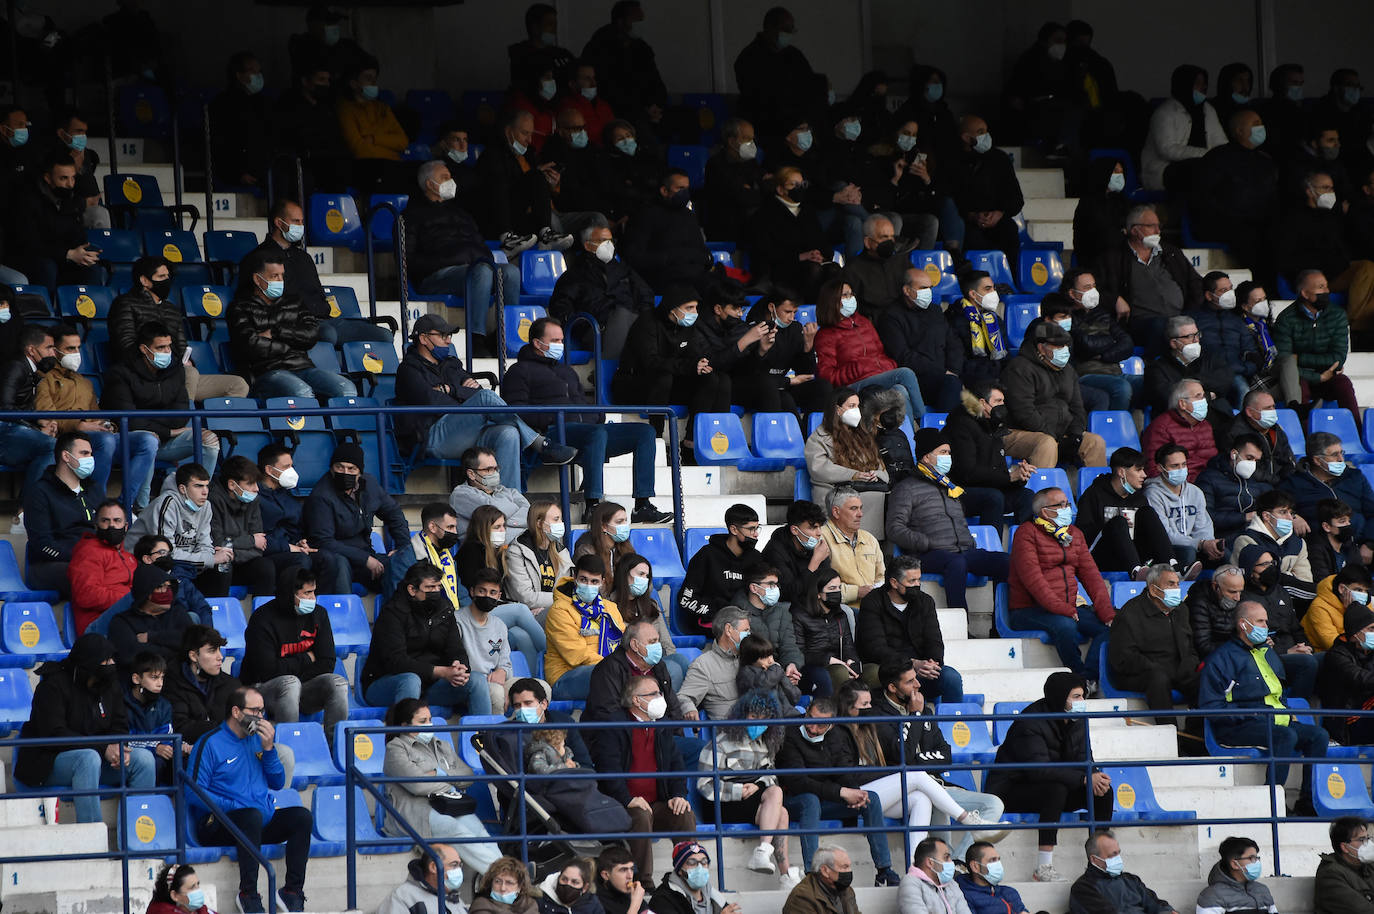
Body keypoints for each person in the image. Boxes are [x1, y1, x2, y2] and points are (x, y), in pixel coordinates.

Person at [503, 316, 673, 522]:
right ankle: (593, 506)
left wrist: (596, 415)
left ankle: (642, 505)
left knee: (645, 432)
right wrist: (556, 416)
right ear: (538, 343)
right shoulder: (518, 371)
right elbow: (516, 410)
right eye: (555, 341)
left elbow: (582, 403)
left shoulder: (567, 371)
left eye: (562, 340)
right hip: (553, 432)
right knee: (597, 433)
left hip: (586, 432)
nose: (561, 345)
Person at [399, 315, 574, 488]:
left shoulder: (451, 365)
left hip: (466, 431)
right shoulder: (409, 369)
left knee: (509, 433)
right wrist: (464, 398)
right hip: (433, 436)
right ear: (423, 338)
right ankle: (540, 444)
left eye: (449, 336)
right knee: (485, 399)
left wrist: (450, 390)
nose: (448, 341)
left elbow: (477, 392)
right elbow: (432, 401)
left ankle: (510, 502)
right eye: (443, 336)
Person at [189, 686, 313, 912]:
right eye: (255, 711)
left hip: (254, 822)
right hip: (218, 824)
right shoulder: (210, 743)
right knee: (250, 816)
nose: (261, 717)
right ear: (236, 712)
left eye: (263, 711)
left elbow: (277, 782)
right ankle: (248, 894)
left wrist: (269, 750)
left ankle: (292, 892)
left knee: (301, 817)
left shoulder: (258, 740)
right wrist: (234, 806)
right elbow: (193, 791)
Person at [1199, 600, 1329, 814]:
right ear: (1243, 624)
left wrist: (1286, 713)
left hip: (1275, 720)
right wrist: (1249, 714)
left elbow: (1279, 691)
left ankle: (1308, 802)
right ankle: (1271, 802)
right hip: (1239, 726)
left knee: (1319, 735)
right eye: (1260, 621)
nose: (1265, 626)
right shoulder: (1221, 659)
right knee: (1285, 737)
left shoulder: (1268, 653)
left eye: (1266, 622)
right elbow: (1211, 707)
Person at [985, 672, 1113, 883]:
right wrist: (1083, 779)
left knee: (1103, 792)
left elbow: (1084, 758)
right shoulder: (1030, 721)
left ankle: (1098, 861)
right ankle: (1043, 867)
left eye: (1083, 696)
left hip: (1053, 786)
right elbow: (1038, 770)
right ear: (1059, 697)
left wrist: (1093, 774)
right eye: (1076, 697)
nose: (1082, 702)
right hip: (1012, 790)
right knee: (1056, 789)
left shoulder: (1077, 720)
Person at [870, 663, 1009, 855]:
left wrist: (915, 760)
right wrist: (915, 715)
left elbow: (945, 755)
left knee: (994, 804)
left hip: (937, 784)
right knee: (932, 799)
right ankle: (945, 860)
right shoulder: (877, 715)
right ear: (893, 688)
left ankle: (959, 862)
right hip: (904, 793)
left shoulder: (925, 710)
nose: (918, 685)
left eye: (916, 678)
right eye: (910, 681)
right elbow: (902, 755)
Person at [14, 633, 154, 822]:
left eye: (112, 659)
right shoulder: (53, 686)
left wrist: (118, 747)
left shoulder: (110, 683)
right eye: (106, 660)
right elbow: (55, 734)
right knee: (88, 758)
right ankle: (93, 839)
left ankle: (138, 838)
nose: (112, 664)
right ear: (89, 663)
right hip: (47, 762)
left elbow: (120, 723)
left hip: (98, 758)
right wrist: (103, 747)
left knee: (143, 759)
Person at [402, 163, 523, 355]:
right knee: (482, 271)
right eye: (444, 177)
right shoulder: (410, 216)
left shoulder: (461, 213)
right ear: (430, 184)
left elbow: (481, 246)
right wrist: (450, 259)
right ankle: (476, 338)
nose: (451, 181)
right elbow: (408, 261)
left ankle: (506, 335)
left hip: (471, 270)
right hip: (436, 276)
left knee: (510, 272)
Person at [888, 424, 1013, 605]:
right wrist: (924, 542)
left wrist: (969, 542)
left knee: (1005, 561)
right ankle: (961, 623)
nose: (948, 457)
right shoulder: (906, 488)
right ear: (926, 457)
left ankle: (998, 623)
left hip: (962, 550)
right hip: (929, 554)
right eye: (943, 452)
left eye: (949, 452)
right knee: (956, 564)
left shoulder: (950, 486)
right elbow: (894, 528)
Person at [587, 676, 697, 878]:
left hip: (657, 802)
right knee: (641, 814)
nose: (660, 698)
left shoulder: (661, 725)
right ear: (636, 700)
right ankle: (643, 881)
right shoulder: (613, 725)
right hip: (622, 804)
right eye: (653, 694)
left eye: (660, 693)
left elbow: (676, 764)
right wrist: (627, 799)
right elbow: (608, 769)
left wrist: (678, 794)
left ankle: (690, 873)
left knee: (684, 813)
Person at [775, 700, 896, 882]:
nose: (813, 728)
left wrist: (855, 793)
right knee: (810, 800)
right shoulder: (790, 732)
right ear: (806, 712)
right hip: (795, 801)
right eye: (810, 720)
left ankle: (884, 870)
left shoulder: (837, 735)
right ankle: (813, 874)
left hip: (826, 799)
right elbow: (798, 782)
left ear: (831, 725)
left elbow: (843, 773)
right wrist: (841, 792)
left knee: (870, 798)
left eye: (821, 725)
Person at [380, 698, 501, 876]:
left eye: (429, 719)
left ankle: (509, 874)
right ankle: (501, 878)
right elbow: (418, 787)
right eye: (422, 721)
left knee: (480, 832)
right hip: (416, 813)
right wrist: (448, 780)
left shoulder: (441, 745)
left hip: (448, 805)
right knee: (456, 830)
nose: (428, 725)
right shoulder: (395, 748)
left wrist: (436, 773)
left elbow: (467, 776)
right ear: (405, 725)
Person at [695, 689, 801, 888]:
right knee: (777, 795)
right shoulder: (720, 742)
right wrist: (737, 790)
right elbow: (704, 785)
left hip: (751, 802)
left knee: (783, 812)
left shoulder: (765, 744)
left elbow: (770, 777)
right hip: (721, 804)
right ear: (742, 714)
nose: (758, 722)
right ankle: (765, 854)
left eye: (764, 718)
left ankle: (783, 872)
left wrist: (758, 785)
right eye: (754, 716)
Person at [1008, 489, 1115, 679]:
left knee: (1114, 625)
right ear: (1044, 511)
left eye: (1068, 504)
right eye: (1061, 505)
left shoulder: (1074, 534)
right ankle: (1077, 677)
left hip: (1067, 608)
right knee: (1066, 626)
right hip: (1029, 610)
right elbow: (1034, 581)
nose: (1067, 509)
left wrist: (1106, 612)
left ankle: (1089, 679)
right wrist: (1063, 609)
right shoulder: (1026, 533)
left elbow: (1092, 576)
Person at [37, 324, 150, 504]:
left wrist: (106, 425)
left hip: (96, 438)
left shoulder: (85, 383)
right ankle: (97, 503)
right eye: (70, 348)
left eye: (78, 348)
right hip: (67, 440)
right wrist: (79, 426)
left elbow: (96, 415)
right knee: (105, 441)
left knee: (147, 441)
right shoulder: (45, 380)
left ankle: (123, 506)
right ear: (55, 351)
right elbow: (46, 416)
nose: (76, 353)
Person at [228, 248, 357, 399]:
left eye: (282, 275)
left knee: (347, 389)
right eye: (274, 276)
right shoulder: (239, 308)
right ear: (257, 279)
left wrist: (276, 333)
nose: (280, 281)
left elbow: (311, 335)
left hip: (303, 367)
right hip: (267, 372)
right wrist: (293, 342)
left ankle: (342, 424)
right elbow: (252, 346)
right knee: (301, 392)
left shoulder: (294, 302)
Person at [239, 565, 349, 739]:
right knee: (290, 684)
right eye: (307, 593)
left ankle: (334, 746)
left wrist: (291, 670)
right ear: (290, 593)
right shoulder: (262, 618)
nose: (313, 598)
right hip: (263, 690)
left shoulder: (319, 614)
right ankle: (289, 746)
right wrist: (306, 658)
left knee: (338, 683)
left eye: (314, 592)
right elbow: (267, 671)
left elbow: (327, 662)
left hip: (303, 687)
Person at [361, 562, 484, 713]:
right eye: (430, 588)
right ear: (412, 589)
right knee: (411, 680)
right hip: (387, 682)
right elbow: (396, 662)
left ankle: (484, 736)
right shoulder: (392, 613)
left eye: (438, 586)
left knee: (476, 680)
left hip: (430, 686)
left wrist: (460, 667)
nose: (436, 591)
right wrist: (441, 672)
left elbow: (456, 649)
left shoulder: (444, 609)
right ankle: (404, 735)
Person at [1094, 205, 1204, 358]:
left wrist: (1190, 311)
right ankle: (1156, 369)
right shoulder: (1114, 258)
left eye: (1159, 226)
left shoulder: (1171, 252)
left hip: (1179, 316)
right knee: (1161, 326)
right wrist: (1115, 299)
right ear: (1134, 230)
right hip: (1141, 322)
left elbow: (1196, 283)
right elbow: (1095, 288)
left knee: (1201, 324)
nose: (1158, 231)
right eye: (1151, 226)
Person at [304, 442, 411, 596]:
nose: (345, 472)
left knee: (403, 565)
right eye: (339, 467)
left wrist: (403, 548)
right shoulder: (321, 496)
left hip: (367, 554)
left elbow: (394, 514)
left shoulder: (370, 484)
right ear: (331, 468)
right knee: (339, 563)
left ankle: (396, 615)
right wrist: (364, 559)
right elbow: (324, 542)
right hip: (339, 558)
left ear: (359, 472)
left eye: (351, 469)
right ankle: (343, 614)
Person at [814, 277, 927, 422]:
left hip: (878, 377)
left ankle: (910, 440)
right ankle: (924, 422)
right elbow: (827, 377)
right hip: (854, 385)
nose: (850, 298)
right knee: (905, 373)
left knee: (901, 391)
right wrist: (857, 368)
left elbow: (880, 354)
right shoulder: (826, 335)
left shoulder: (864, 323)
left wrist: (885, 365)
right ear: (832, 301)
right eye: (845, 295)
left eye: (851, 294)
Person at [1002, 321, 1107, 468]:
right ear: (1041, 348)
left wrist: (1075, 435)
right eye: (1058, 346)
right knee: (1047, 444)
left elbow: (1077, 407)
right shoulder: (1020, 368)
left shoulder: (1068, 370)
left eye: (1065, 346)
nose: (1063, 350)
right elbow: (1023, 412)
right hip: (1023, 432)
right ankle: (1042, 490)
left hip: (1060, 433)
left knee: (1095, 442)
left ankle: (1097, 490)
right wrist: (1052, 436)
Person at [549, 219, 653, 358]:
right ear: (587, 245)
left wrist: (644, 317)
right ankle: (609, 372)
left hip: (631, 324)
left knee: (637, 322)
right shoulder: (575, 275)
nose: (608, 245)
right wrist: (583, 326)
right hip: (596, 330)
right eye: (602, 241)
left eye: (610, 241)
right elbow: (560, 307)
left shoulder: (624, 269)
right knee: (623, 316)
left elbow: (645, 295)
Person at [1190, 110, 1280, 270]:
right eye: (1256, 124)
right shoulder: (1218, 158)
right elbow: (1203, 196)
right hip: (1227, 222)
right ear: (1239, 130)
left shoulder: (1265, 161)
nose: (1261, 127)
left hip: (1260, 221)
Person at [256, 443, 350, 595]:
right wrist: (288, 547)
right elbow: (258, 536)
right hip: (270, 554)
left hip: (293, 548)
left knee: (328, 559)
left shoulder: (286, 494)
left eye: (292, 466)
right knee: (301, 560)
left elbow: (296, 526)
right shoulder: (255, 497)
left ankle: (319, 606)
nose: (291, 471)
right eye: (286, 467)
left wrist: (300, 542)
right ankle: (294, 603)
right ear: (269, 470)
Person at [1107, 563, 1201, 716]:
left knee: (1205, 678)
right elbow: (1123, 657)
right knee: (1158, 678)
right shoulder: (1130, 614)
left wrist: (1189, 663)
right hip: (1142, 673)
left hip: (1177, 671)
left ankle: (1197, 731)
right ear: (1153, 589)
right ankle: (1168, 731)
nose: (1176, 589)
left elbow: (1189, 646)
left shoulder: (1181, 610)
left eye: (1177, 584)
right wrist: (1156, 668)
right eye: (1171, 584)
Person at [474, 109, 570, 251]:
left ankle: (546, 235)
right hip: (496, 220)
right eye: (525, 133)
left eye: (531, 134)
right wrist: (533, 176)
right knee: (536, 178)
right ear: (508, 131)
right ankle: (507, 239)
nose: (529, 140)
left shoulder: (528, 154)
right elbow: (500, 191)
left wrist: (548, 182)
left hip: (523, 215)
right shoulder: (492, 155)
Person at [1076, 447, 1175, 579]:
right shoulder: (1094, 494)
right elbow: (1083, 536)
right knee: (1118, 521)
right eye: (1138, 470)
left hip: (1135, 556)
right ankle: (1135, 571)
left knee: (1147, 512)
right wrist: (1113, 526)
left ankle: (1172, 567)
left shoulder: (1140, 498)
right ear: (1122, 472)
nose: (1144, 475)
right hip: (1101, 556)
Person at [945, 380, 1035, 526]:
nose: (1002, 406)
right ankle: (994, 547)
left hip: (989, 489)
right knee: (994, 497)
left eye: (1003, 402)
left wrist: (1019, 477)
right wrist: (1008, 477)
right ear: (982, 403)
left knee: (1027, 496)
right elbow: (966, 473)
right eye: (998, 401)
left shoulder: (994, 427)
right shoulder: (960, 425)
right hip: (958, 492)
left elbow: (998, 474)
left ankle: (1023, 542)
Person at [9, 153, 103, 292]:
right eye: (64, 178)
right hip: (31, 258)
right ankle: (46, 311)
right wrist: (68, 253)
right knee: (47, 268)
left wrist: (84, 253)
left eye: (73, 178)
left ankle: (91, 313)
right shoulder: (28, 201)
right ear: (48, 178)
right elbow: (30, 244)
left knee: (92, 269)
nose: (70, 184)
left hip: (63, 258)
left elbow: (78, 236)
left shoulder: (71, 199)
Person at [875, 267, 964, 412]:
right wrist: (942, 373)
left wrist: (953, 371)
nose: (928, 292)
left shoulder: (935, 311)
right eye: (923, 287)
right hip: (917, 380)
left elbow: (953, 342)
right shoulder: (891, 316)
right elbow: (903, 355)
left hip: (948, 377)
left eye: (930, 287)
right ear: (906, 290)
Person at [805, 388, 890, 540]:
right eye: (851, 406)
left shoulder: (864, 436)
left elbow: (882, 470)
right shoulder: (818, 438)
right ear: (837, 409)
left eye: (858, 406)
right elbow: (819, 469)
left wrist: (874, 474)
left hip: (867, 491)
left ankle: (871, 547)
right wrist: (853, 475)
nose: (856, 411)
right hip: (834, 492)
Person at [21, 430, 98, 596]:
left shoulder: (94, 489)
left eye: (91, 454)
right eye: (84, 453)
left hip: (94, 560)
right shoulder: (39, 492)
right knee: (91, 575)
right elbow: (42, 544)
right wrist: (83, 557)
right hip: (50, 565)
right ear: (66, 456)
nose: (90, 459)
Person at [1236, 545, 1319, 699]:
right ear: (1250, 570)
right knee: (1307, 663)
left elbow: (1296, 628)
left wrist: (1305, 647)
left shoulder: (1281, 591)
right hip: (1270, 657)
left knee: (1327, 658)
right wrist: (1286, 652)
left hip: (1295, 650)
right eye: (1264, 565)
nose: (1270, 568)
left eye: (1272, 563)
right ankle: (1296, 712)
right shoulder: (1243, 598)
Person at [732, 7, 824, 144]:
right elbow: (758, 99)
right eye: (785, 30)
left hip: (799, 123)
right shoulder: (749, 58)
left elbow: (809, 83)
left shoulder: (794, 55)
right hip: (768, 127)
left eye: (791, 30)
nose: (789, 34)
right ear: (769, 28)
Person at [1273, 270, 1359, 415]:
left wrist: (1300, 358)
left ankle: (1357, 432)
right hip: (1300, 377)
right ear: (1305, 294)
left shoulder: (1337, 315)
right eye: (1321, 287)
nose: (1327, 291)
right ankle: (1305, 435)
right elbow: (1285, 362)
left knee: (1343, 384)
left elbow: (1338, 357)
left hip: (1329, 375)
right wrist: (1318, 377)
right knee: (1300, 386)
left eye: (1326, 286)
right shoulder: (1286, 319)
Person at [124, 463, 223, 590]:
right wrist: (210, 560)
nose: (205, 492)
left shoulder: (206, 506)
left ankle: (214, 608)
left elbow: (205, 543)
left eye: (206, 486)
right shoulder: (166, 504)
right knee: (181, 575)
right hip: (144, 562)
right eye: (198, 486)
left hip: (182, 563)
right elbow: (164, 554)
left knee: (221, 570)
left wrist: (209, 558)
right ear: (183, 489)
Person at [584, 616, 687, 729]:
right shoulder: (609, 669)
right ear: (634, 645)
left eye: (658, 640)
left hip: (658, 736)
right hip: (621, 739)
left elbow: (673, 706)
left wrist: (674, 735)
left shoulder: (659, 666)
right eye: (652, 642)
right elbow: (609, 713)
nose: (659, 646)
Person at [678, 504, 766, 635]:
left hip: (749, 621)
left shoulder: (756, 558)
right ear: (734, 529)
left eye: (757, 528)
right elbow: (685, 599)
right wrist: (716, 612)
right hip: (713, 623)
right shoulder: (707, 555)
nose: (755, 534)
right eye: (751, 529)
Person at [620, 168, 709, 293]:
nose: (685, 193)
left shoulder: (689, 216)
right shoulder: (645, 215)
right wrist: (670, 257)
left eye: (687, 188)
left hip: (692, 277)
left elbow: (701, 249)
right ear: (664, 190)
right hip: (660, 279)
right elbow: (633, 256)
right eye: (680, 188)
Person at [1141, 65, 1226, 191]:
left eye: (1204, 83)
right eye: (1198, 83)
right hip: (1164, 170)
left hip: (1202, 166)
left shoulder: (1208, 109)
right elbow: (1167, 149)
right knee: (1197, 174)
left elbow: (1220, 142)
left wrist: (1222, 156)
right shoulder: (1164, 112)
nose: (1203, 88)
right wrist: (1207, 155)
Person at [952, 116, 1023, 263]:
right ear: (966, 137)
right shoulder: (953, 162)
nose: (986, 135)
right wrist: (972, 216)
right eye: (980, 132)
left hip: (998, 221)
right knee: (972, 239)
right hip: (968, 222)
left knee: (1009, 231)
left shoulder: (1000, 159)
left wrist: (999, 213)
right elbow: (951, 198)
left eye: (986, 131)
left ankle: (1010, 282)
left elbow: (1016, 198)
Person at [1231, 489, 1316, 605]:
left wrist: (1281, 577)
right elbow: (1258, 581)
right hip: (1256, 602)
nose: (1290, 518)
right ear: (1266, 515)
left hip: (1291, 604)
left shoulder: (1298, 543)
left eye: (1291, 513)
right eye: (1283, 512)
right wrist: (1290, 576)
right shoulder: (1247, 540)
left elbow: (1305, 583)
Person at [1284, 432, 1374, 541]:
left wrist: (1369, 544)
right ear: (1317, 460)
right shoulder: (1294, 483)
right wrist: (1293, 516)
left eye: (1342, 453)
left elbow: (1372, 512)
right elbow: (1276, 507)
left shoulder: (1355, 477)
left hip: (1359, 543)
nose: (1341, 459)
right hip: (1318, 548)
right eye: (1335, 455)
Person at [1145, 443, 1224, 569]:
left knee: (1223, 555)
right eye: (1175, 466)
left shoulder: (1195, 492)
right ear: (1160, 468)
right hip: (1169, 549)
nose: (1181, 469)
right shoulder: (1152, 494)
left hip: (1196, 544)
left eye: (1184, 465)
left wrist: (1209, 543)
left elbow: (1203, 526)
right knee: (1188, 553)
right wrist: (1200, 544)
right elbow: (1165, 535)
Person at [68, 499, 137, 635]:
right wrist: (129, 599)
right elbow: (86, 594)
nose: (111, 525)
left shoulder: (129, 557)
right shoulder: (88, 552)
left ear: (126, 526)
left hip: (126, 618)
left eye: (117, 521)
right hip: (96, 625)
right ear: (96, 525)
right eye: (105, 521)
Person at [108, 562, 194, 668]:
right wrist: (175, 650)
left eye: (169, 587)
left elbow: (192, 642)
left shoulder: (178, 612)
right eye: (161, 587)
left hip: (179, 680)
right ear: (146, 591)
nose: (167, 592)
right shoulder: (122, 622)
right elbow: (129, 655)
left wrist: (153, 637)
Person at [1070, 830, 1177, 914]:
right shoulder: (1083, 888)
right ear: (1094, 859)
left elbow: (1155, 903)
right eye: (1112, 855)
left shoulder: (1131, 880)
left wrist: (1167, 911)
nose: (1117, 858)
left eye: (1118, 853)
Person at [457, 569, 517, 714]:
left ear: (499, 595)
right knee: (497, 692)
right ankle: (495, 736)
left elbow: (505, 660)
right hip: (471, 683)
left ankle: (523, 734)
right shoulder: (457, 621)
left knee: (537, 688)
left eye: (492, 592)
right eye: (482, 591)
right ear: (472, 591)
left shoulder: (500, 625)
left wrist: (502, 671)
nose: (487, 596)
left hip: (495, 679)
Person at [1197, 434, 1274, 546]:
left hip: (1252, 535)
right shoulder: (1208, 479)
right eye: (1249, 458)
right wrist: (1245, 517)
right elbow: (1207, 518)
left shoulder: (1255, 479)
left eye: (1256, 461)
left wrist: (1293, 516)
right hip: (1222, 539)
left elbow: (1275, 500)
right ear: (1234, 454)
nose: (1252, 464)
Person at [1315, 601, 1374, 745]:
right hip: (1349, 719)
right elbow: (1360, 679)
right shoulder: (1336, 656)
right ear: (1356, 632)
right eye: (1371, 629)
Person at [446, 446, 532, 543]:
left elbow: (530, 515)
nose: (494, 473)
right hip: (484, 553)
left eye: (496, 468)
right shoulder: (461, 494)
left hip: (517, 548)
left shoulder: (509, 491)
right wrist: (519, 521)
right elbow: (493, 512)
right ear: (471, 474)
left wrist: (506, 521)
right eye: (488, 470)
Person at [1141, 378, 1219, 484]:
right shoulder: (1161, 427)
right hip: (1178, 486)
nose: (1204, 401)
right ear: (1182, 404)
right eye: (1198, 396)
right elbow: (1154, 469)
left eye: (1203, 396)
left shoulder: (1206, 426)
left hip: (1208, 482)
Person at [678, 606, 750, 720]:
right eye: (745, 631)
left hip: (763, 727)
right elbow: (684, 697)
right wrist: (689, 709)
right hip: (731, 731)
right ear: (728, 630)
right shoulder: (704, 665)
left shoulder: (753, 655)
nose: (749, 635)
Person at [505, 500, 572, 619]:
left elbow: (567, 589)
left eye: (560, 519)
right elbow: (525, 597)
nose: (561, 524)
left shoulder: (561, 551)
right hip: (523, 614)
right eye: (556, 519)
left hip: (555, 610)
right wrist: (560, 599)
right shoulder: (517, 551)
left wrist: (549, 606)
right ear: (539, 523)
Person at [763, 499, 834, 611]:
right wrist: (814, 563)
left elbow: (829, 582)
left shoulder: (815, 546)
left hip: (814, 602)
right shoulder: (775, 551)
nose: (819, 533)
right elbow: (788, 593)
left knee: (846, 612)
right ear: (795, 530)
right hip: (785, 607)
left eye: (819, 527)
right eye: (812, 528)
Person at [701, 117, 763, 244]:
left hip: (749, 226)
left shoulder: (750, 162)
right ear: (731, 141)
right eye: (747, 138)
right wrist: (753, 191)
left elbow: (765, 187)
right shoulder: (716, 164)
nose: (752, 143)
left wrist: (751, 190)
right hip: (726, 229)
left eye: (752, 139)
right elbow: (741, 197)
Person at [1072, 158, 1133, 272]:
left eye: (1121, 172)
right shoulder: (1088, 203)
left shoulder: (1122, 201)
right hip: (1095, 260)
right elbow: (1095, 235)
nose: (1119, 176)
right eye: (1115, 171)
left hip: (1122, 259)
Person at [645, 842, 739, 914]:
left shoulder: (714, 896)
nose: (699, 867)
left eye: (704, 862)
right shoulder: (663, 899)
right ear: (680, 871)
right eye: (692, 863)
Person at [1229, 390, 1296, 486]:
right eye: (1267, 408)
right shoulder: (1235, 432)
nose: (1273, 411)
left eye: (1273, 407)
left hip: (1281, 483)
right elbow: (1250, 471)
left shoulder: (1275, 429)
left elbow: (1288, 460)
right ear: (1250, 412)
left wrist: (1290, 481)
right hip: (1254, 485)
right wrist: (1277, 483)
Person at [376, 844, 467, 914]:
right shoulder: (403, 897)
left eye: (460, 865)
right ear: (433, 867)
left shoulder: (455, 899)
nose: (459, 870)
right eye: (454, 865)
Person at [1194, 836, 1276, 914]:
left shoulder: (1262, 890)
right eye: (1251, 858)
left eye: (1257, 858)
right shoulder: (1212, 895)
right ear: (1235, 864)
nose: (1257, 862)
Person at [1304, 564, 1372, 653]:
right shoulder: (1319, 607)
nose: (1364, 595)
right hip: (1327, 657)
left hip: (1360, 655)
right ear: (1342, 588)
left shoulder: (1365, 603)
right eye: (1358, 590)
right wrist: (1351, 613)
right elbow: (1332, 644)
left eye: (1365, 591)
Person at [898, 838, 973, 914]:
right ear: (930, 863)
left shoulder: (952, 884)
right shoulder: (910, 883)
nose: (951, 862)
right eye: (946, 858)